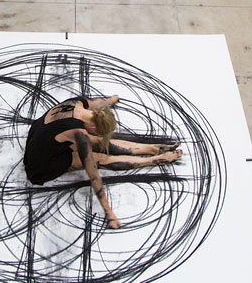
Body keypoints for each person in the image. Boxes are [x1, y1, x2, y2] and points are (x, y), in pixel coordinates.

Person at [23, 95, 182, 229]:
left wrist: (110, 101)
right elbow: (94, 176)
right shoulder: (79, 133)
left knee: (98, 142)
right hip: (41, 164)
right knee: (101, 158)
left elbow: (99, 104)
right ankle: (155, 159)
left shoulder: (77, 103)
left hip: (39, 137)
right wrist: (109, 213)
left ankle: (152, 149)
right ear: (93, 126)